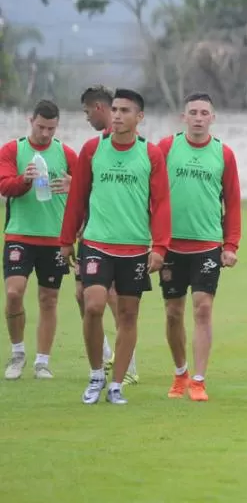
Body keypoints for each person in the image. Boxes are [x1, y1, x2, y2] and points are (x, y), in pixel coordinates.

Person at [60, 88, 171, 405]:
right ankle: (97, 375)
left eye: (125, 110)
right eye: (116, 109)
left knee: (128, 316)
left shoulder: (150, 155)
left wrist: (160, 246)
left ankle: (117, 385)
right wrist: (67, 240)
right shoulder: (93, 149)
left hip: (135, 248)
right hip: (96, 242)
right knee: (92, 304)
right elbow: (78, 198)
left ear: (140, 117)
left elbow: (161, 204)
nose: (118, 115)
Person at [156, 93, 241, 402]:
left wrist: (230, 244)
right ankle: (181, 373)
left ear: (212, 118)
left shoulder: (224, 154)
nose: (199, 117)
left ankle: (200, 381)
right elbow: (150, 193)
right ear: (184, 116)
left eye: (204, 112)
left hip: (207, 245)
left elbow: (232, 202)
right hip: (171, 246)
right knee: (173, 312)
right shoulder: (166, 148)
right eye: (193, 112)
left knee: (203, 307)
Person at [1, 100, 77, 379]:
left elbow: (86, 190)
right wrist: (25, 180)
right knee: (13, 293)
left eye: (52, 128)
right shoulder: (13, 149)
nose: (46, 133)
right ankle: (17, 353)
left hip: (54, 239)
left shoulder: (66, 153)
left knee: (49, 299)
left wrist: (74, 184)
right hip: (20, 234)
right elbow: (4, 185)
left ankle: (42, 361)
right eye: (41, 127)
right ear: (30, 120)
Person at [78, 85, 139, 384]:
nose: (88, 116)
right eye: (115, 110)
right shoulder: (93, 148)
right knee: (86, 298)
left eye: (89, 111)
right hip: (92, 235)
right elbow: (84, 191)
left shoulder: (138, 150)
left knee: (115, 300)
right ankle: (102, 360)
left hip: (121, 240)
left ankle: (127, 365)